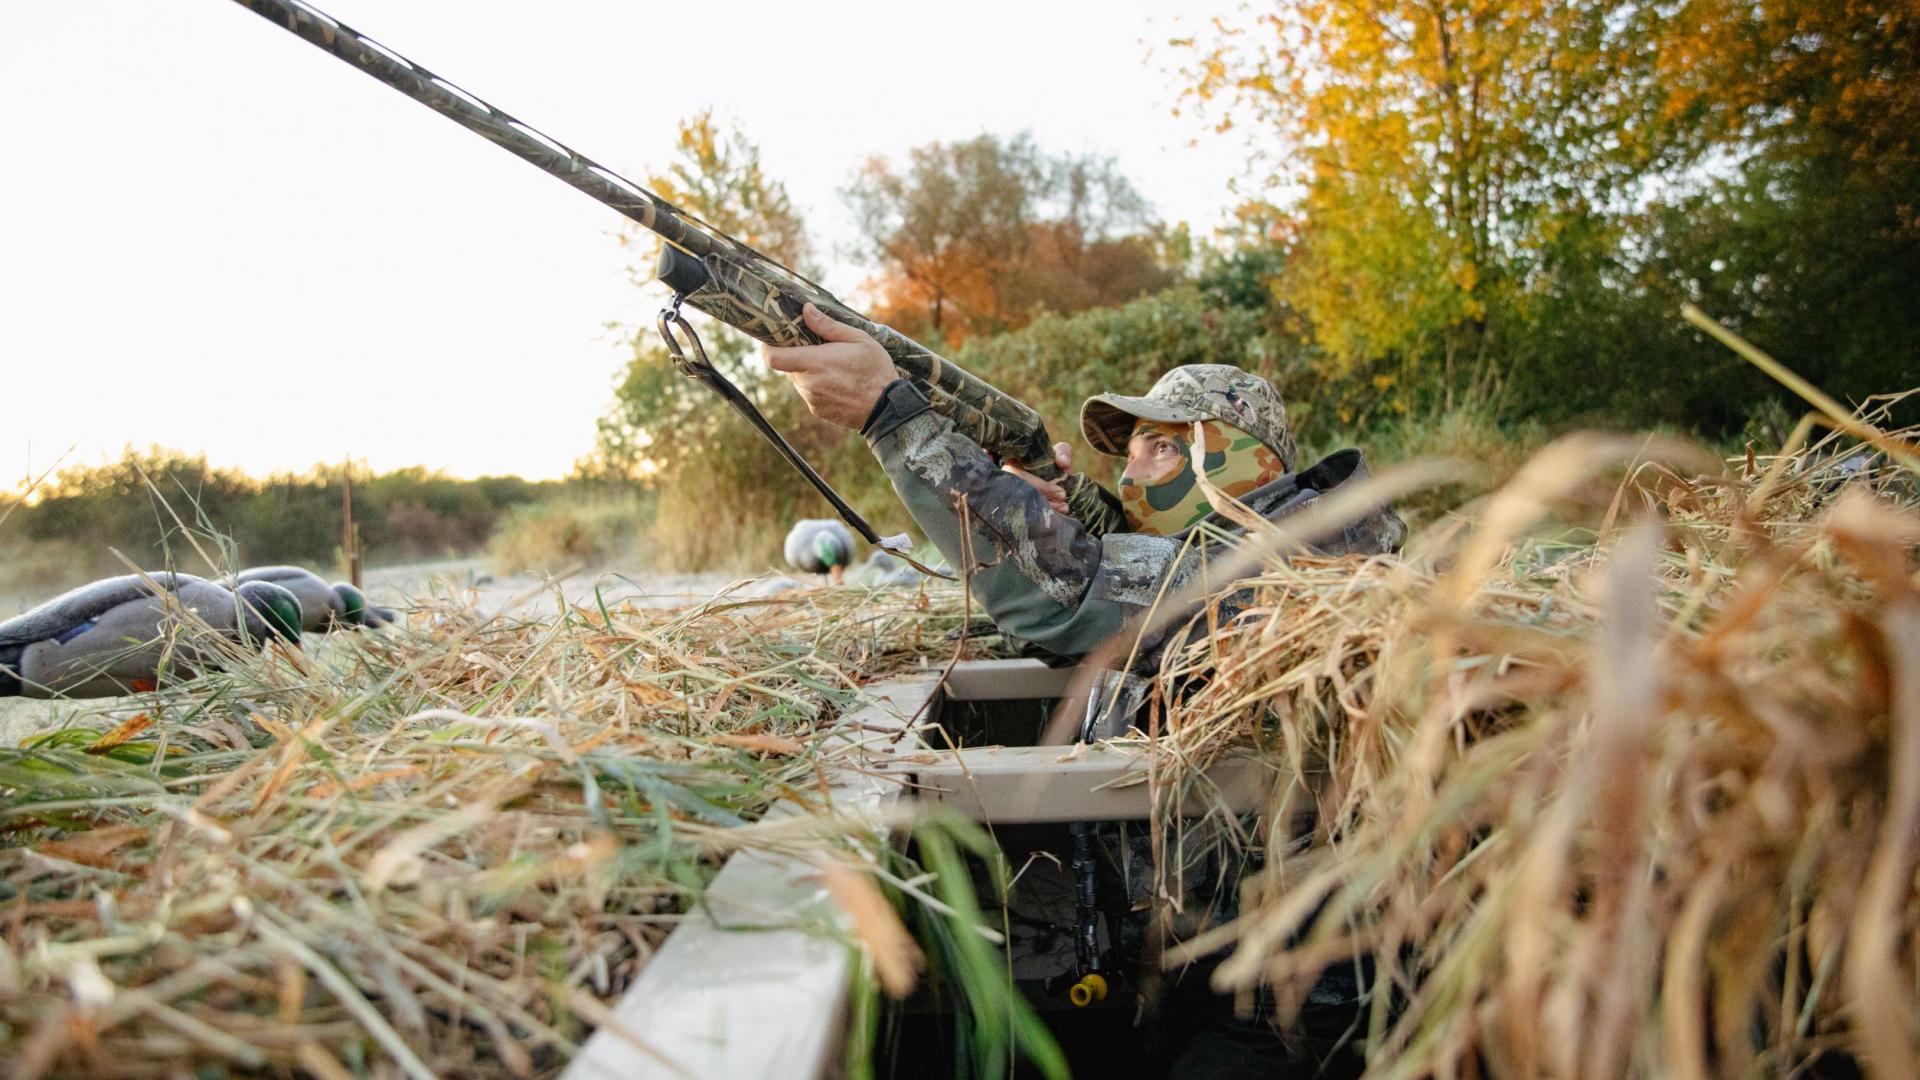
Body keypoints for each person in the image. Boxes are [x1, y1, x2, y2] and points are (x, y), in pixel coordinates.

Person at [762, 304, 1405, 670]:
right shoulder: (1288, 545)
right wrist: (1038, 496)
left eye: (1161, 448)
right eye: (1129, 454)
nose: (1129, 475)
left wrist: (895, 418)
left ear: (1246, 461)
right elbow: (1070, 609)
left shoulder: (1300, 569)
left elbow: (1071, 598)